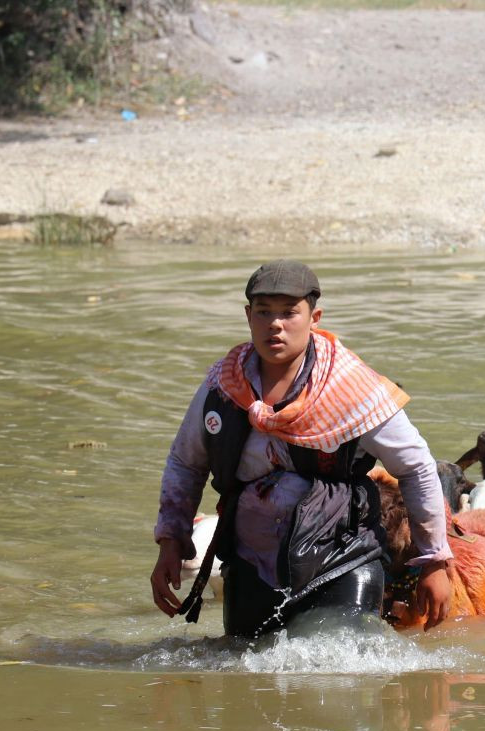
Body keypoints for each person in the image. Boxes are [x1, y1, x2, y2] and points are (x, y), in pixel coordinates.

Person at [150, 260, 453, 636]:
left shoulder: (353, 388)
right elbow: (185, 464)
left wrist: (434, 562)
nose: (275, 324)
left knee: (341, 675)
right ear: (248, 317)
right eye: (263, 312)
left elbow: (416, 467)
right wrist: (171, 540)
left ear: (314, 317)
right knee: (246, 681)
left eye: (289, 312)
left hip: (342, 561)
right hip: (249, 562)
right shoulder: (222, 388)